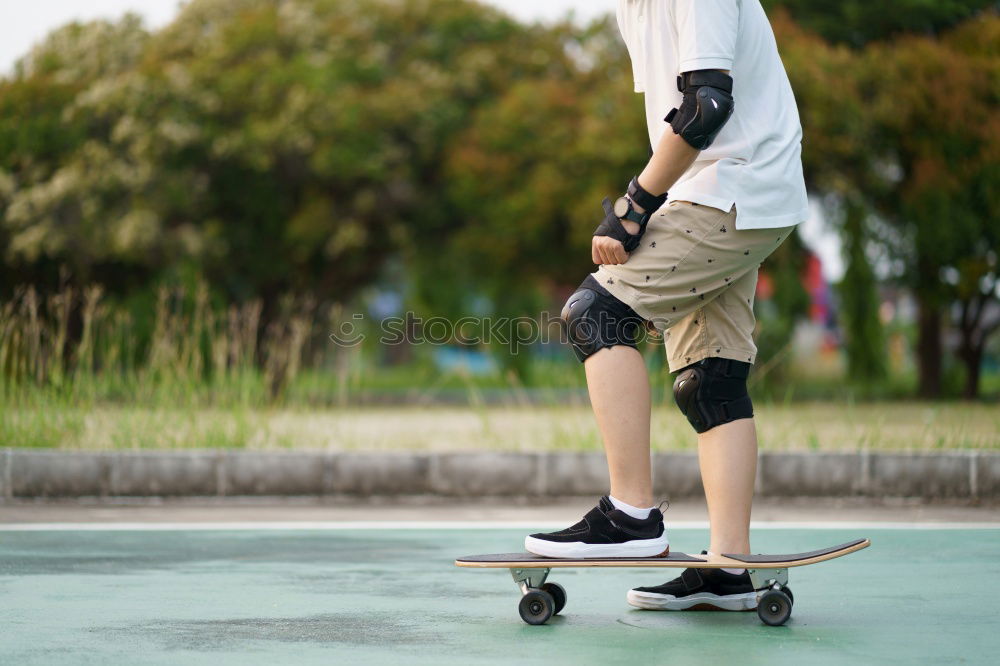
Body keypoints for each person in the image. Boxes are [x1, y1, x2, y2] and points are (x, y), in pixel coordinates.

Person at [523, 0, 809, 613]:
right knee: (711, 381)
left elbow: (707, 104)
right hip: (729, 191)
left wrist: (635, 205)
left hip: (734, 187)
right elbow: (677, 114)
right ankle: (730, 568)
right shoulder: (634, 7)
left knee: (594, 313)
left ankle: (631, 515)